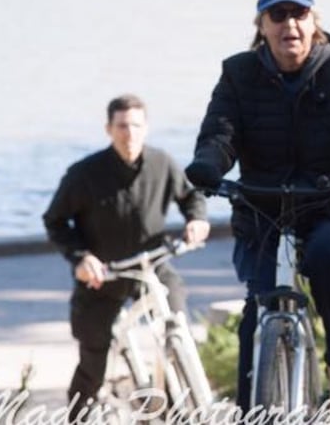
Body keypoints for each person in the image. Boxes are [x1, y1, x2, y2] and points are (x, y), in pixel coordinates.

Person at [184, 0, 330, 411]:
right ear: (261, 25)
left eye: (298, 14)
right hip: (261, 205)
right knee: (255, 311)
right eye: (277, 15)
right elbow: (219, 133)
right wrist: (208, 164)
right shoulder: (238, 73)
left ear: (314, 22)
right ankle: (250, 411)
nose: (289, 25)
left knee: (324, 258)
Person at [42, 94, 209, 419]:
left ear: (145, 128)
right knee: (94, 362)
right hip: (104, 275)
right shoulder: (84, 173)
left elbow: (190, 196)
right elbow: (55, 220)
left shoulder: (161, 163)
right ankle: (77, 416)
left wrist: (197, 219)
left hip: (153, 267)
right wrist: (80, 258)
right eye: (121, 126)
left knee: (176, 327)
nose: (129, 133)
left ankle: (177, 405)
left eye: (135, 125)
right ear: (109, 129)